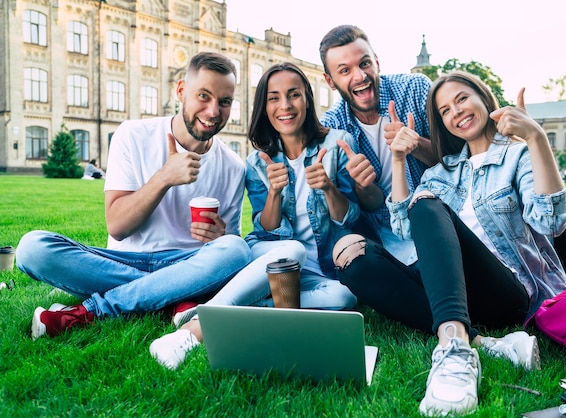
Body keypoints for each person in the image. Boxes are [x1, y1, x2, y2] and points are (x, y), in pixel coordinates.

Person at [343, 71, 566, 416]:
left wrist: (536, 138)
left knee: (426, 202)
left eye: (462, 99)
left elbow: (550, 222)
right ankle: (485, 343)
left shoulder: (518, 156)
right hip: (453, 290)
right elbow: (405, 227)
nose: (456, 112)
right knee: (352, 256)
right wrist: (399, 159)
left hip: (506, 289)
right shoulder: (442, 171)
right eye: (445, 110)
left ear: (483, 97)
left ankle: (454, 350)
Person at [16, 52, 252, 339]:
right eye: (203, 96)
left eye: (224, 102)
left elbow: (230, 252)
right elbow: (118, 226)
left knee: (237, 251)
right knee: (32, 248)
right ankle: (173, 300)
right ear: (181, 91)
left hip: (187, 264)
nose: (213, 111)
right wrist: (164, 177)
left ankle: (92, 311)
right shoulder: (132, 134)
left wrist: (220, 236)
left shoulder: (233, 166)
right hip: (122, 260)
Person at [148, 62, 359, 369]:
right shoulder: (258, 161)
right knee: (293, 250)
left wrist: (327, 188)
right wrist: (274, 192)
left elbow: (350, 218)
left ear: (307, 99)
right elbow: (266, 230)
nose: (284, 106)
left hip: (319, 270)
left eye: (293, 95)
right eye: (274, 97)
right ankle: (194, 331)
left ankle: (209, 309)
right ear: (264, 106)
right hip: (270, 253)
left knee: (345, 298)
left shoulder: (337, 144)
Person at [318, 23, 437, 299]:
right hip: (386, 232)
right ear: (330, 80)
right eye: (345, 70)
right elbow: (367, 209)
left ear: (377, 63)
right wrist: (363, 187)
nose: (360, 76)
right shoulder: (333, 126)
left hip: (436, 216)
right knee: (357, 266)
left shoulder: (416, 89)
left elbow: (454, 160)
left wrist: (416, 144)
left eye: (365, 63)